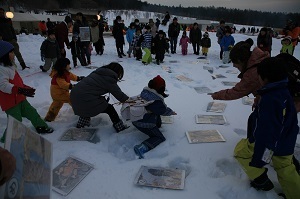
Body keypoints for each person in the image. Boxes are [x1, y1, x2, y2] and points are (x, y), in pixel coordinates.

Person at [234, 57, 300, 199]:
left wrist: (260, 158)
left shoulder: (271, 100)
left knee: (240, 152)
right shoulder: (284, 89)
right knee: (285, 168)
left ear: (264, 78)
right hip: (287, 139)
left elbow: (267, 133)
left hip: (268, 142)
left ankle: (261, 180)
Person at [0, 40, 53, 143]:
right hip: (11, 103)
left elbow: (17, 82)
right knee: (15, 122)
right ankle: (5, 140)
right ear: (4, 55)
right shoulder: (1, 69)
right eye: (11, 52)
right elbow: (3, 86)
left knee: (32, 112)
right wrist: (19, 89)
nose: (13, 54)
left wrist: (25, 88)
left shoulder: (10, 66)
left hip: (20, 98)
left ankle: (41, 127)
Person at [70, 62, 129, 132]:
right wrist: (130, 100)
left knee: (87, 106)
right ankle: (120, 127)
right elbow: (119, 95)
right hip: (85, 97)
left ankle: (81, 124)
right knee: (109, 109)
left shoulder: (98, 73)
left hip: (74, 95)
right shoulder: (109, 78)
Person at [133, 75, 176, 159]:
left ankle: (157, 125)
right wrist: (171, 112)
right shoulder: (156, 101)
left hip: (136, 118)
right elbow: (163, 111)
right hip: (143, 123)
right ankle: (142, 148)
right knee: (159, 137)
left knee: (154, 113)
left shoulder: (145, 93)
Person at [44, 58, 84, 122]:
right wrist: (72, 86)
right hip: (59, 94)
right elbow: (63, 85)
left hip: (60, 93)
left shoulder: (64, 72)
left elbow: (71, 76)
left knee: (56, 106)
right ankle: (81, 112)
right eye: (68, 65)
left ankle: (49, 118)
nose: (69, 66)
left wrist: (78, 78)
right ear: (64, 66)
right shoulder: (58, 75)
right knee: (72, 99)